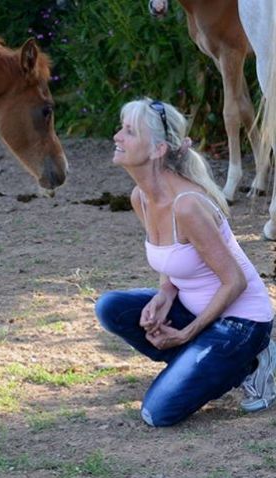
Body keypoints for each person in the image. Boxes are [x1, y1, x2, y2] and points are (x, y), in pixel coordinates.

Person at [95, 98, 275, 427]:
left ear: (158, 149)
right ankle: (206, 364)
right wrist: (164, 294)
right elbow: (172, 262)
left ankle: (254, 362)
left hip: (241, 322)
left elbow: (235, 281)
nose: (117, 136)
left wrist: (186, 333)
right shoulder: (141, 198)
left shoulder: (187, 206)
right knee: (110, 307)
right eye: (122, 128)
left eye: (129, 131)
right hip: (197, 311)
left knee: (157, 413)